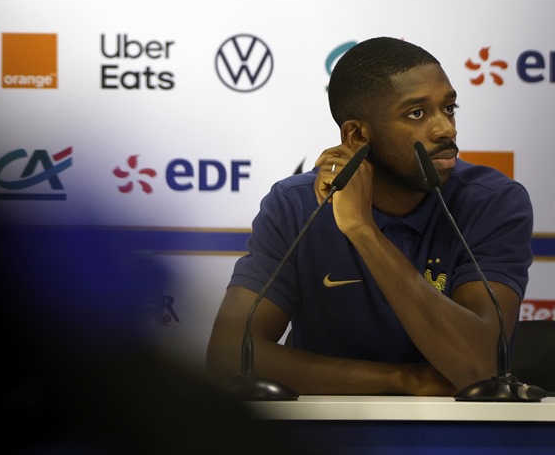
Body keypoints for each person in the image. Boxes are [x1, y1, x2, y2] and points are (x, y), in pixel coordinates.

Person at [206, 36, 534, 396]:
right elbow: (228, 356)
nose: (446, 129)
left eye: (450, 108)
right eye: (417, 114)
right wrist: (404, 381)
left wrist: (363, 231)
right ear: (358, 135)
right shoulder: (295, 205)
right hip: (322, 439)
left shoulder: (491, 202)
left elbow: (479, 367)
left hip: (454, 441)